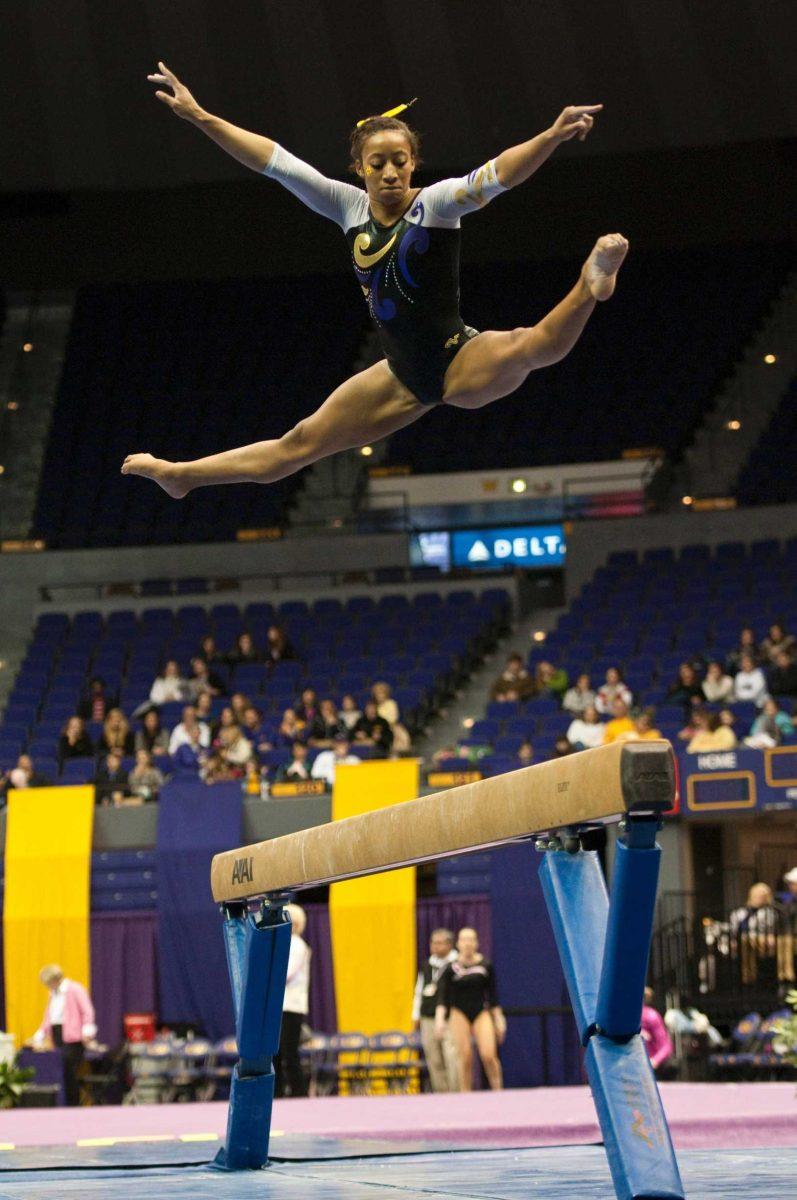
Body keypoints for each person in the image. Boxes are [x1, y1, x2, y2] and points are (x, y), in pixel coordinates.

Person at [124, 67, 626, 498]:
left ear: (414, 163)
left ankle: (589, 284)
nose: (390, 173)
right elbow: (273, 162)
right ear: (359, 168)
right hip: (400, 375)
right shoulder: (347, 207)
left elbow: (498, 175)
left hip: (457, 358)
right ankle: (182, 476)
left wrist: (551, 136)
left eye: (400, 162)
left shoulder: (438, 203)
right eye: (378, 163)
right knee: (295, 445)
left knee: (529, 346)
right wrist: (200, 116)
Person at [435, 928, 505, 1091]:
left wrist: (499, 1020)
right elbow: (442, 998)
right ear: (458, 944)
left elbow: (493, 996)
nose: (468, 943)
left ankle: (498, 1090)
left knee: (488, 1055)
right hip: (459, 1012)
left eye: (471, 940)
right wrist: (439, 1020)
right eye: (464, 940)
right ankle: (465, 1095)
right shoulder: (450, 969)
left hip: (481, 1012)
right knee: (464, 1057)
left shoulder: (485, 966)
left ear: (477, 943)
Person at [30, 964, 97, 1106]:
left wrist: (86, 1031)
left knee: (70, 1072)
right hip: (58, 1035)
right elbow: (49, 1017)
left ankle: (73, 1105)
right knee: (62, 1071)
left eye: (48, 983)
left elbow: (87, 1011)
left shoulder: (75, 989)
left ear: (55, 980)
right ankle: (64, 1103)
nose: (47, 986)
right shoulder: (52, 993)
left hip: (73, 1038)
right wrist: (39, 1035)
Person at [412, 928, 459, 1092]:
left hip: (450, 1017)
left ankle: (457, 1093)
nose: (435, 946)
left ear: (449, 944)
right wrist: (416, 1014)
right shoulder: (427, 964)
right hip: (428, 1017)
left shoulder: (456, 963)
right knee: (434, 1059)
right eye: (433, 942)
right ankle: (441, 1094)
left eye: (439, 943)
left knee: (452, 1057)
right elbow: (419, 990)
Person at [274, 904, 311, 1098]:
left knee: (289, 1052)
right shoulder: (284, 943)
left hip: (292, 1006)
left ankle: (299, 1093)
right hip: (281, 1005)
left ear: (293, 923)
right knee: (276, 1053)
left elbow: (286, 974)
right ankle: (277, 1092)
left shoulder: (297, 945)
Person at [641, 988, 673, 1075]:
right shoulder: (623, 1016)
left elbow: (666, 1046)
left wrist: (654, 1061)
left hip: (649, 1068)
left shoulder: (651, 1016)